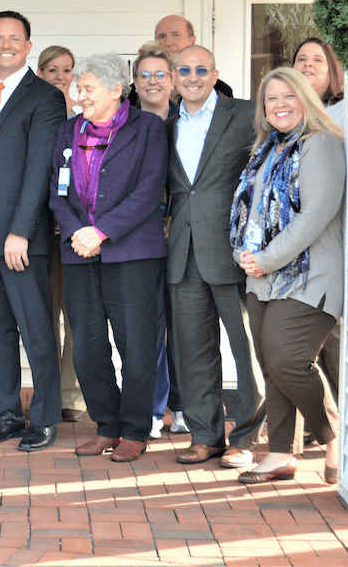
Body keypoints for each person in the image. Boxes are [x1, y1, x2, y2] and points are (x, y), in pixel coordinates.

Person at [49, 53, 168, 462]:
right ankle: (107, 425)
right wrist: (78, 231)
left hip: (131, 252)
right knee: (86, 345)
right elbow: (57, 191)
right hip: (80, 251)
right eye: (77, 89)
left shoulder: (147, 128)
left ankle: (135, 429)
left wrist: (102, 230)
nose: (78, 95)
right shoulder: (68, 131)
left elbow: (149, 190)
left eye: (87, 89)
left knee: (135, 345)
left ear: (116, 90)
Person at [229, 68, 344, 485]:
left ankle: (334, 435)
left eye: (287, 96)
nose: (278, 104)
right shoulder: (268, 149)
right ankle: (279, 453)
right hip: (263, 276)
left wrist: (268, 258)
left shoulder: (321, 144)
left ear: (305, 100)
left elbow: (315, 215)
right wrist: (248, 254)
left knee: (287, 360)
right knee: (271, 366)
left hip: (308, 275)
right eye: (270, 98)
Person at [0, 11, 66, 452]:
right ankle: (7, 412)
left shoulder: (44, 97)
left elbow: (38, 169)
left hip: (19, 238)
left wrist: (21, 231)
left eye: (14, 38)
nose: (5, 45)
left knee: (35, 329)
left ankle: (44, 417)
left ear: (28, 45)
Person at [166, 45, 265, 469]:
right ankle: (206, 435)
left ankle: (247, 437)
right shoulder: (165, 125)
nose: (192, 76)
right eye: (184, 70)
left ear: (214, 74)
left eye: (200, 69)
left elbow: (263, 177)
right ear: (174, 76)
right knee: (193, 351)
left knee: (248, 349)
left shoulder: (244, 115)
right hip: (182, 255)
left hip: (233, 253)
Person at [131, 42, 188, 438]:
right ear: (134, 83)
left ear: (173, 81)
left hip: (186, 237)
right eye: (144, 75)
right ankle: (152, 408)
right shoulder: (125, 125)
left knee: (186, 326)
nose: (152, 82)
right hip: (141, 239)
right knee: (149, 327)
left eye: (160, 75)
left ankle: (184, 405)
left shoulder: (189, 122)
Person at [291, 37, 345, 426]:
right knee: (297, 347)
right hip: (292, 249)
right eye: (301, 59)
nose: (308, 65)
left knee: (333, 344)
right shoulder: (285, 117)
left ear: (332, 71)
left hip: (329, 242)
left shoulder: (345, 113)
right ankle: (315, 427)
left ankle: (340, 428)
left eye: (317, 60)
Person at [37, 45, 86, 423]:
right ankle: (49, 392)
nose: (59, 76)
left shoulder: (84, 122)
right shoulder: (36, 116)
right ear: (40, 73)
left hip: (75, 233)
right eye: (52, 70)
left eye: (66, 70)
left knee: (76, 316)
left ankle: (71, 394)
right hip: (40, 232)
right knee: (44, 316)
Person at [154, 15, 233, 98]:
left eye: (176, 35)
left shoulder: (219, 90)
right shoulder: (145, 85)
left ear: (191, 40)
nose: (168, 43)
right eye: (162, 37)